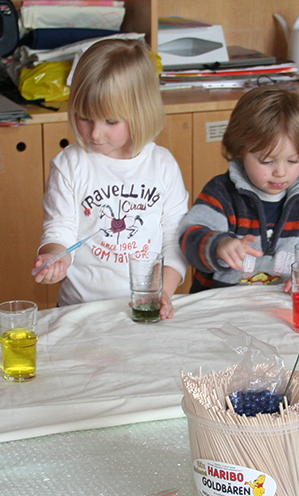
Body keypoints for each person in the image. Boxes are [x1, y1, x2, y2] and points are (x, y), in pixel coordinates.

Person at [33, 38, 190, 319]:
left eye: (110, 121)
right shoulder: (69, 164)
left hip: (143, 306)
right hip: (79, 311)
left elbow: (174, 242)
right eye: (84, 117)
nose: (94, 133)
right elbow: (59, 230)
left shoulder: (163, 165)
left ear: (141, 113)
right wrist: (55, 257)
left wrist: (162, 293)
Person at [178, 85, 299, 292]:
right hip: (222, 305)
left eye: (292, 161)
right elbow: (189, 235)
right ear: (240, 150)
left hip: (281, 303)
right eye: (266, 161)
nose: (280, 172)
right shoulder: (221, 194)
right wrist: (218, 245)